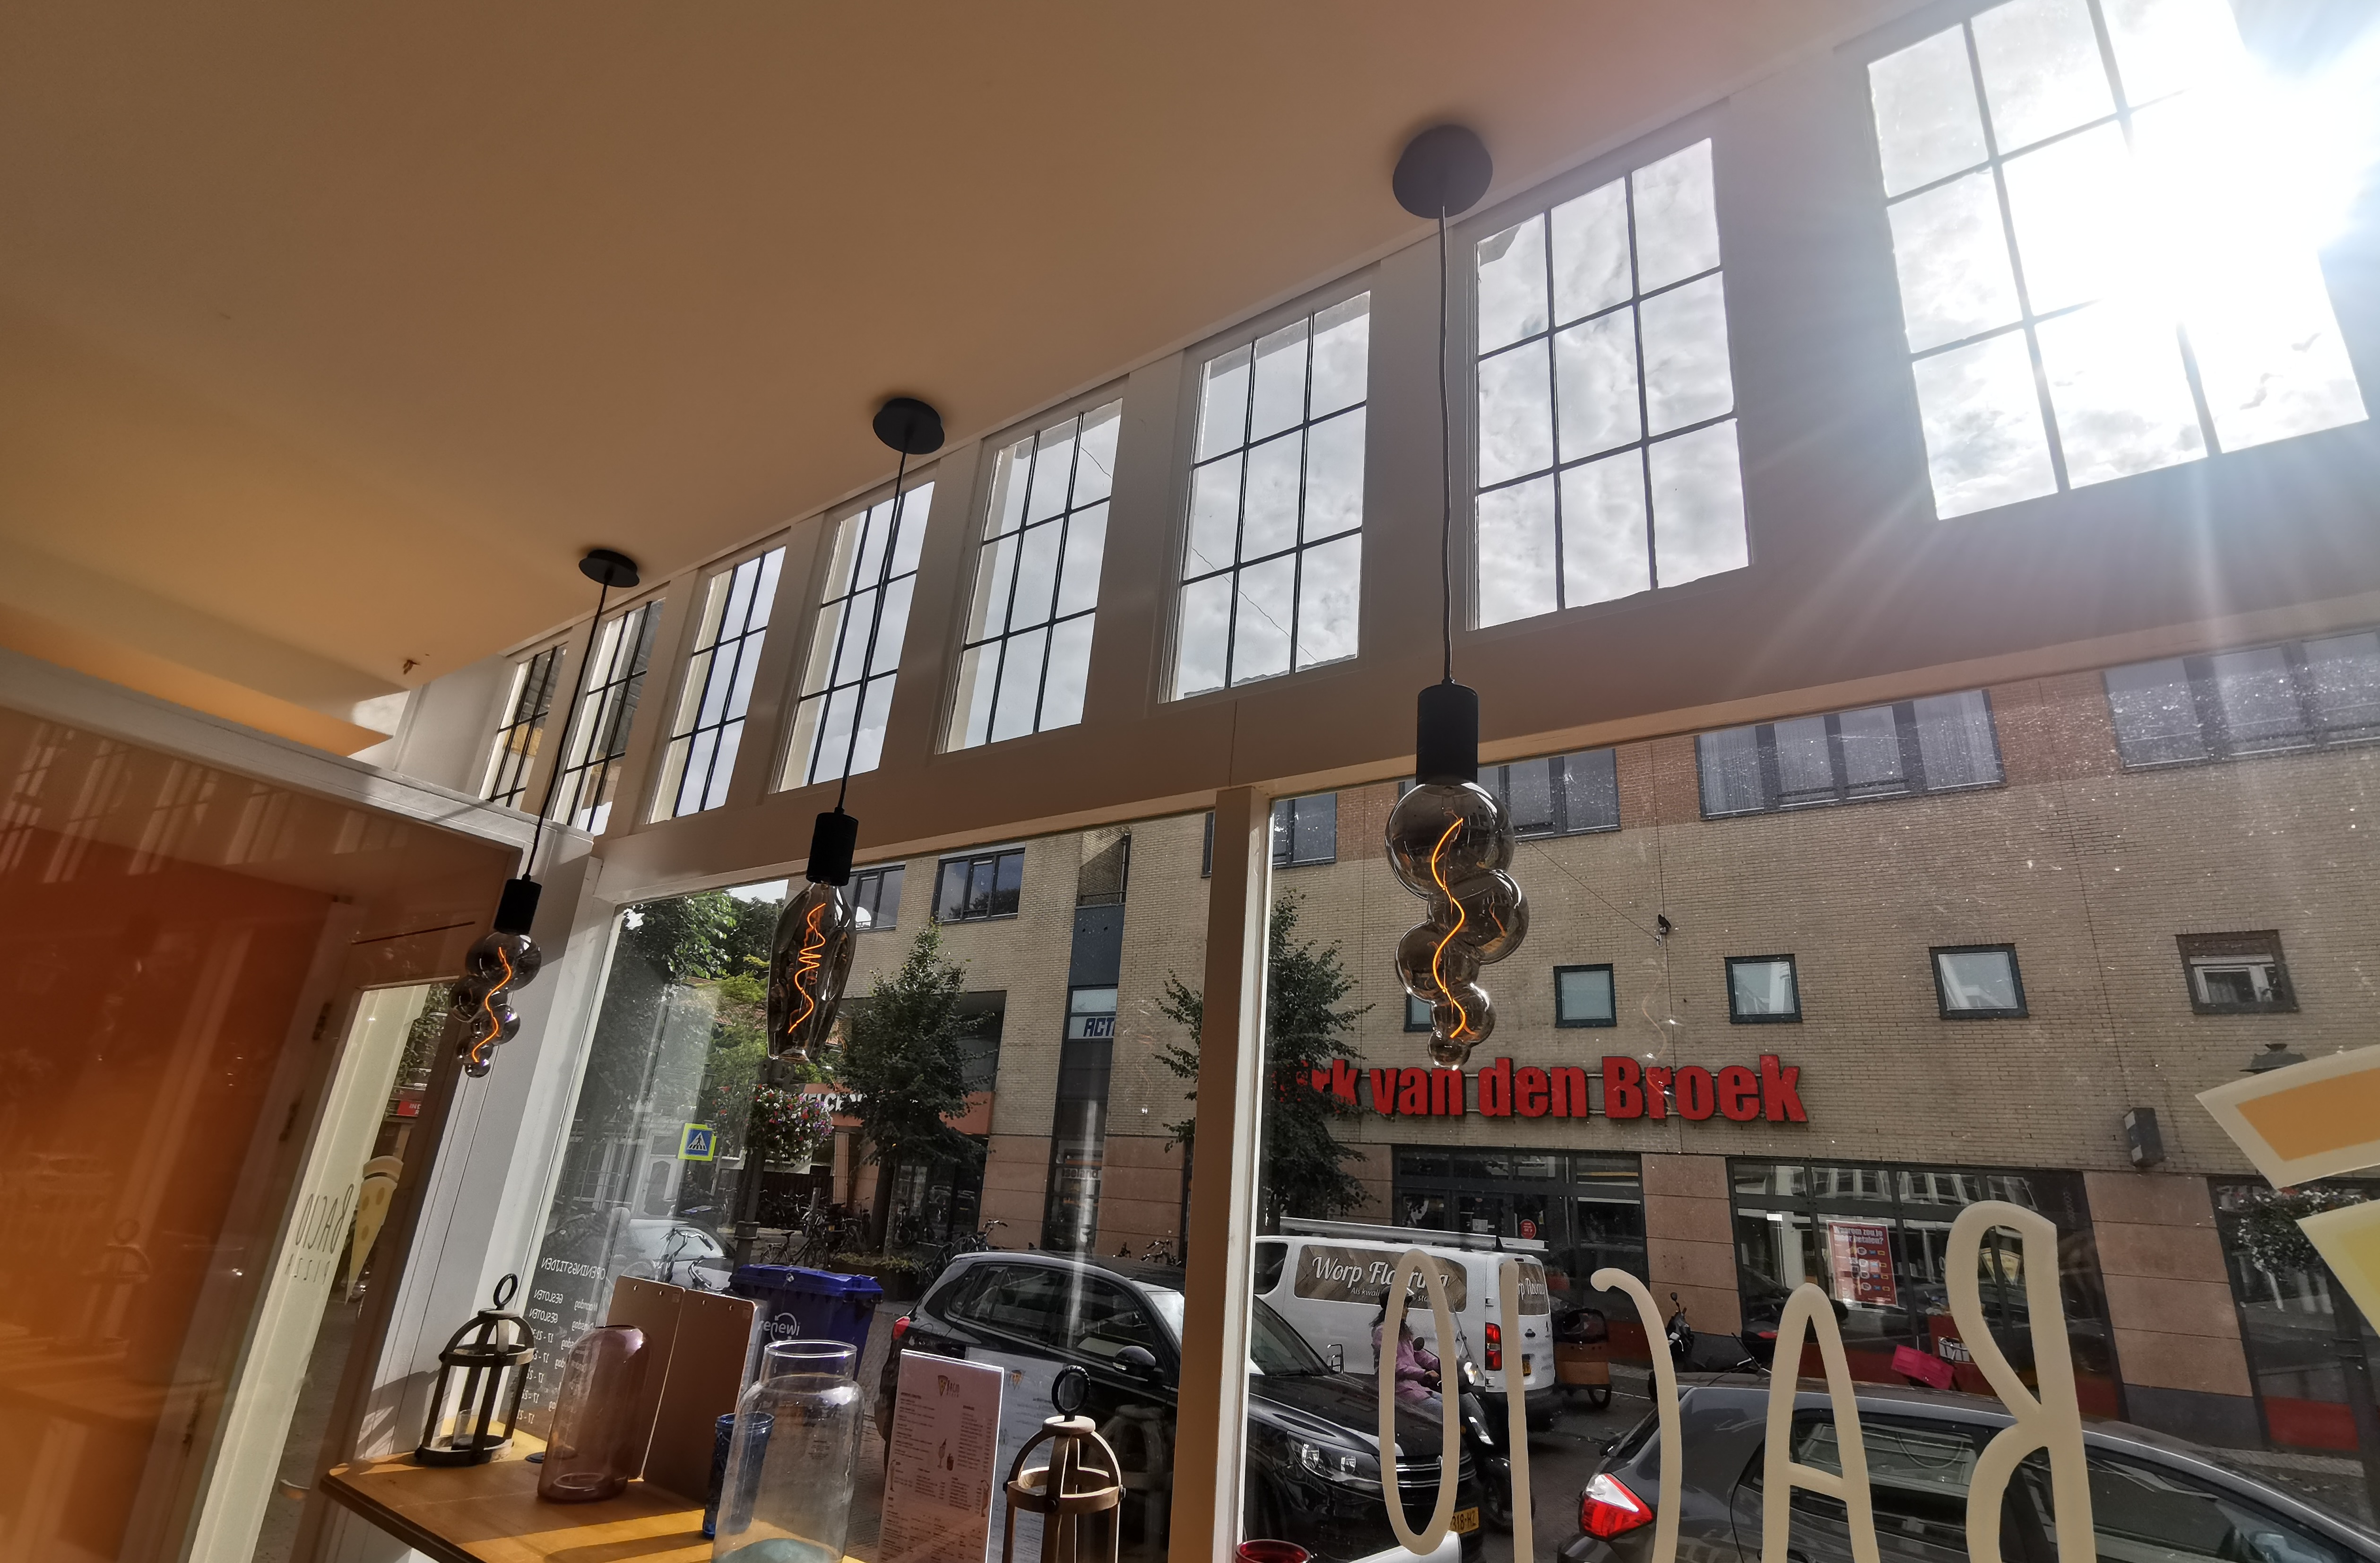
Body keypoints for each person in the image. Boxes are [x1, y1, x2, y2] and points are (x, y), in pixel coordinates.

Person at [1370, 1303, 1441, 1402]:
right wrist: (1423, 1374)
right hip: (1399, 1390)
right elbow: (1393, 1366)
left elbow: (1418, 1354)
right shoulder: (1383, 1332)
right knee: (1442, 1409)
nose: (1407, 1311)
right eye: (1404, 1307)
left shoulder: (1402, 1331)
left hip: (1415, 1387)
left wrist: (1440, 1364)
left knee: (1452, 1403)